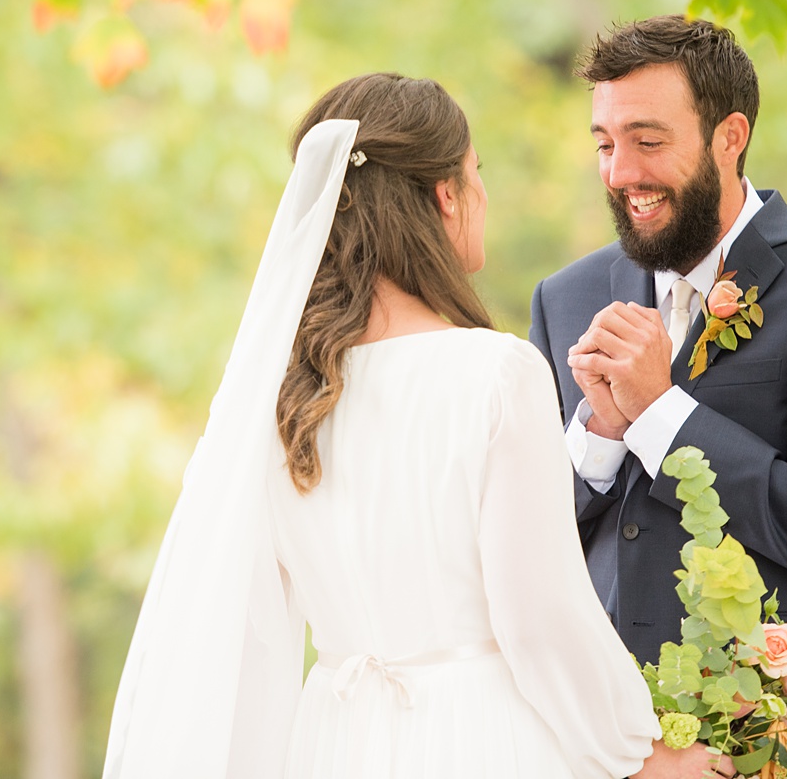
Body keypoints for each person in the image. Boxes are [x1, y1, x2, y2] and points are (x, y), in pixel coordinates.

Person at [105, 73, 664, 779]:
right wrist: (638, 752)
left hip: (335, 738)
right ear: (445, 195)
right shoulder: (496, 372)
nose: (483, 194)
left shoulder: (284, 394)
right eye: (475, 173)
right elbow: (539, 619)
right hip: (481, 739)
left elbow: (244, 626)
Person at [529, 17, 787, 779]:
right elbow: (525, 545)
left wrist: (660, 411)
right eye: (604, 143)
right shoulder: (564, 298)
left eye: (647, 140)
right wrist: (599, 429)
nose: (619, 171)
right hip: (616, 746)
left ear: (729, 136)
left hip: (782, 736)